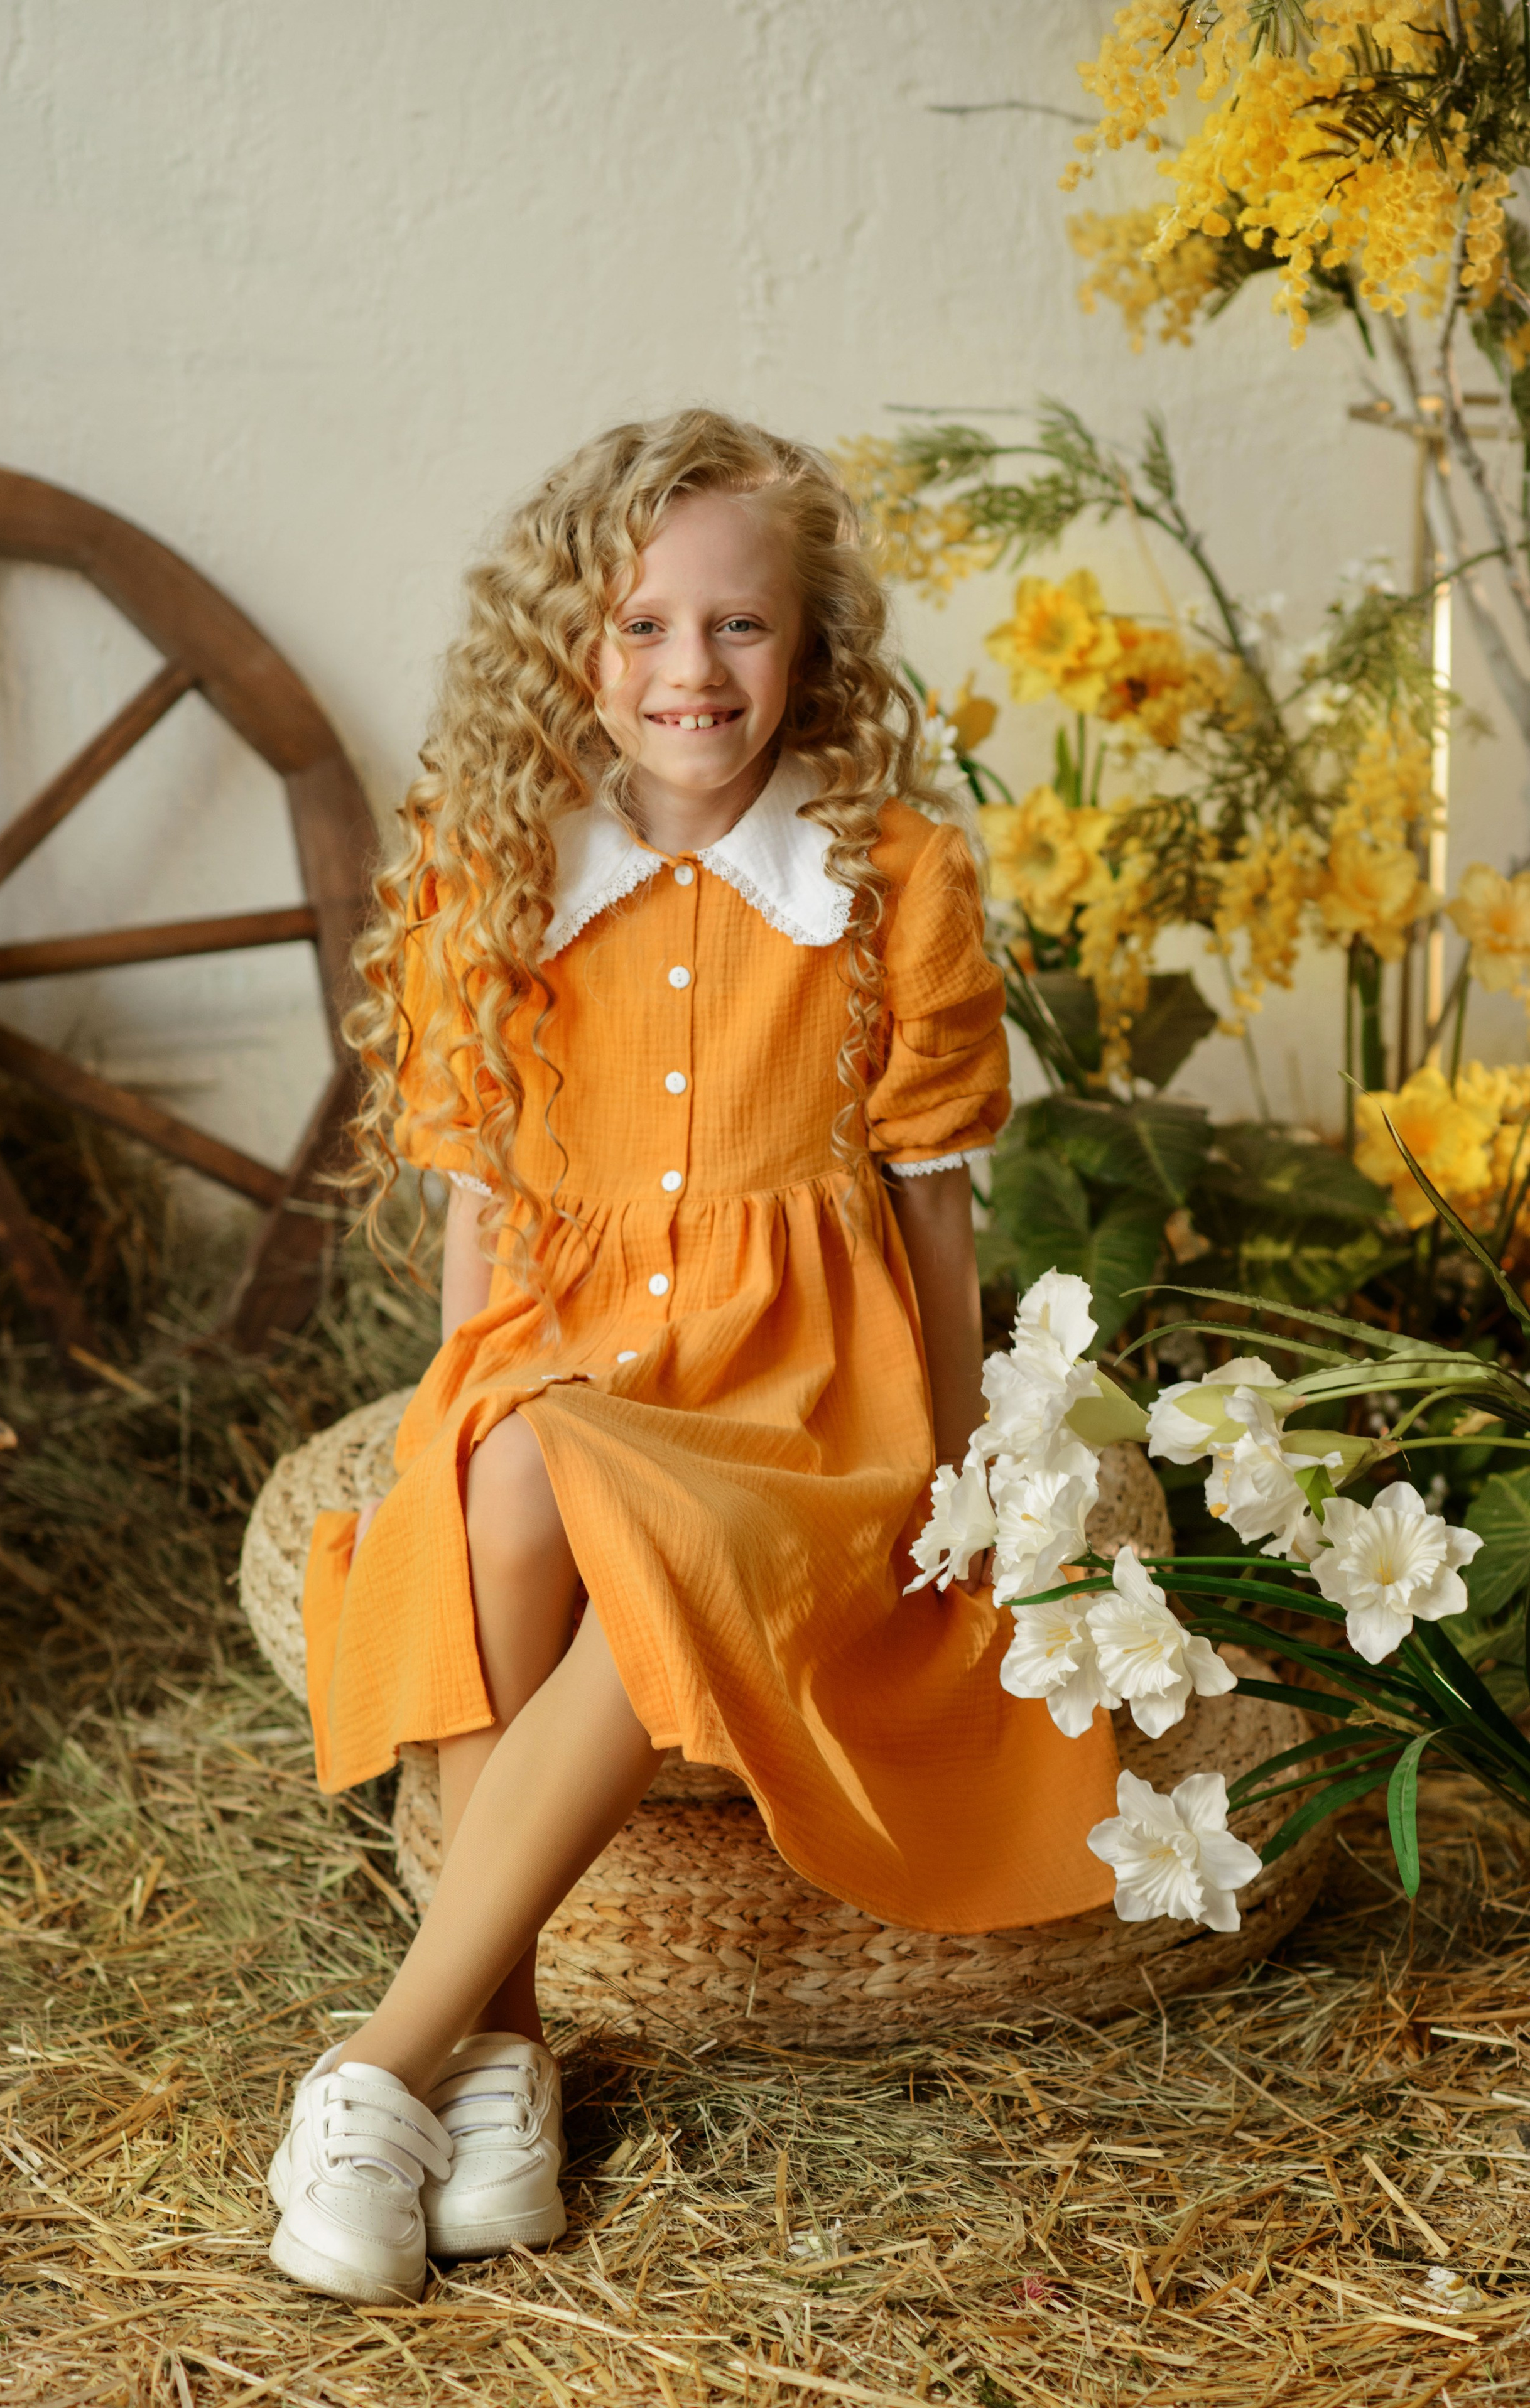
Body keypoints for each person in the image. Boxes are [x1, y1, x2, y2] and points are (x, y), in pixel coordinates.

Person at [266, 409, 1119, 2304]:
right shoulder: (494, 862)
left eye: (739, 628)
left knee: (645, 1540)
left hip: (799, 1394)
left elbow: (937, 1217)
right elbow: (485, 1206)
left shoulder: (887, 873)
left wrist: (963, 1465)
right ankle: (504, 2076)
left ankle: (379, 2063)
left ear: (809, 649)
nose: (688, 673)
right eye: (642, 625)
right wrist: (444, 1400)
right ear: (571, 644)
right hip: (562, 1345)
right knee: (494, 1472)